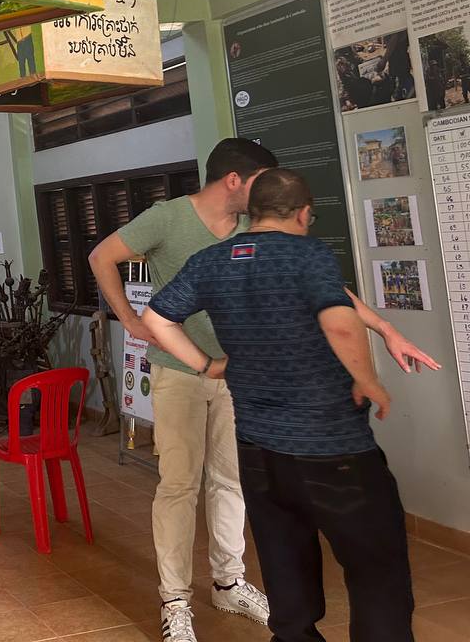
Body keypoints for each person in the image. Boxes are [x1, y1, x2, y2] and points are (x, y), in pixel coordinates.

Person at [88, 139, 435, 642]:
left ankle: (229, 581)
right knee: (180, 486)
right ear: (236, 180)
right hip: (185, 372)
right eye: (260, 182)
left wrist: (384, 327)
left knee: (233, 483)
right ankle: (176, 599)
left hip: (242, 381)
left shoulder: (253, 228)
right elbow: (103, 256)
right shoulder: (166, 218)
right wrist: (131, 323)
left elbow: (328, 290)